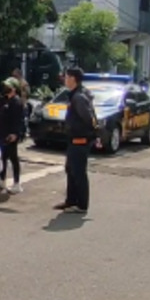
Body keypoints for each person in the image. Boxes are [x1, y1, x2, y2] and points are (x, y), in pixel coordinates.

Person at [55, 67, 94, 214]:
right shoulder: (75, 94)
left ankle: (81, 205)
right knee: (70, 170)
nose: (64, 80)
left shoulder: (79, 97)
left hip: (80, 139)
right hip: (74, 139)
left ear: (73, 79)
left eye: (66, 77)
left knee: (78, 172)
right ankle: (71, 201)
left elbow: (88, 119)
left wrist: (81, 131)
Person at [0, 79, 24, 193]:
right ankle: (2, 181)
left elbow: (18, 120)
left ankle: (17, 183)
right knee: (3, 157)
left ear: (14, 89)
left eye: (8, 87)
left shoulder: (17, 102)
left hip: (11, 134)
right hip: (1, 133)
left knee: (13, 157)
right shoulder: (4, 100)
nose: (6, 89)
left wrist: (15, 133)